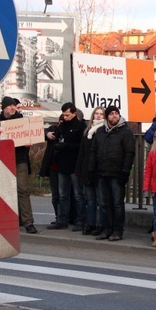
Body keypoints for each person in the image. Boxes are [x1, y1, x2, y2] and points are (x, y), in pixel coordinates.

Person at [88, 105, 135, 241]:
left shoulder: (126, 132)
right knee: (103, 203)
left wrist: (125, 172)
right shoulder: (101, 132)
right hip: (102, 173)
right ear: (107, 117)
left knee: (117, 204)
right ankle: (106, 229)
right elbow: (94, 152)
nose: (114, 115)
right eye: (111, 114)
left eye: (116, 113)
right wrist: (91, 170)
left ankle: (117, 231)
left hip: (117, 173)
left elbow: (129, 153)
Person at [0, 96, 37, 234]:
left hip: (19, 160)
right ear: (3, 107)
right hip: (2, 162)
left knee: (23, 190)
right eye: (9, 105)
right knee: (4, 192)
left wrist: (29, 140)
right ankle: (6, 220)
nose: (12, 108)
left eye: (13, 105)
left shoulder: (21, 121)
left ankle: (28, 222)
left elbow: (29, 139)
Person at [47, 103, 86, 231]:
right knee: (62, 195)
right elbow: (56, 139)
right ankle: (62, 219)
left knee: (78, 195)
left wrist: (66, 146)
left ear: (74, 113)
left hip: (74, 165)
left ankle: (79, 221)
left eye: (67, 115)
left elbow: (81, 146)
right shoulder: (62, 126)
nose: (65, 117)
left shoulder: (80, 126)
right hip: (62, 165)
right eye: (63, 115)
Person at [75, 106, 106, 235]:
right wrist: (79, 169)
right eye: (96, 114)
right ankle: (91, 223)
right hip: (87, 169)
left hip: (98, 170)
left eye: (101, 114)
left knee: (101, 200)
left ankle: (101, 225)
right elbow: (82, 152)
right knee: (90, 199)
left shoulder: (104, 130)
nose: (98, 116)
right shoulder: (88, 131)